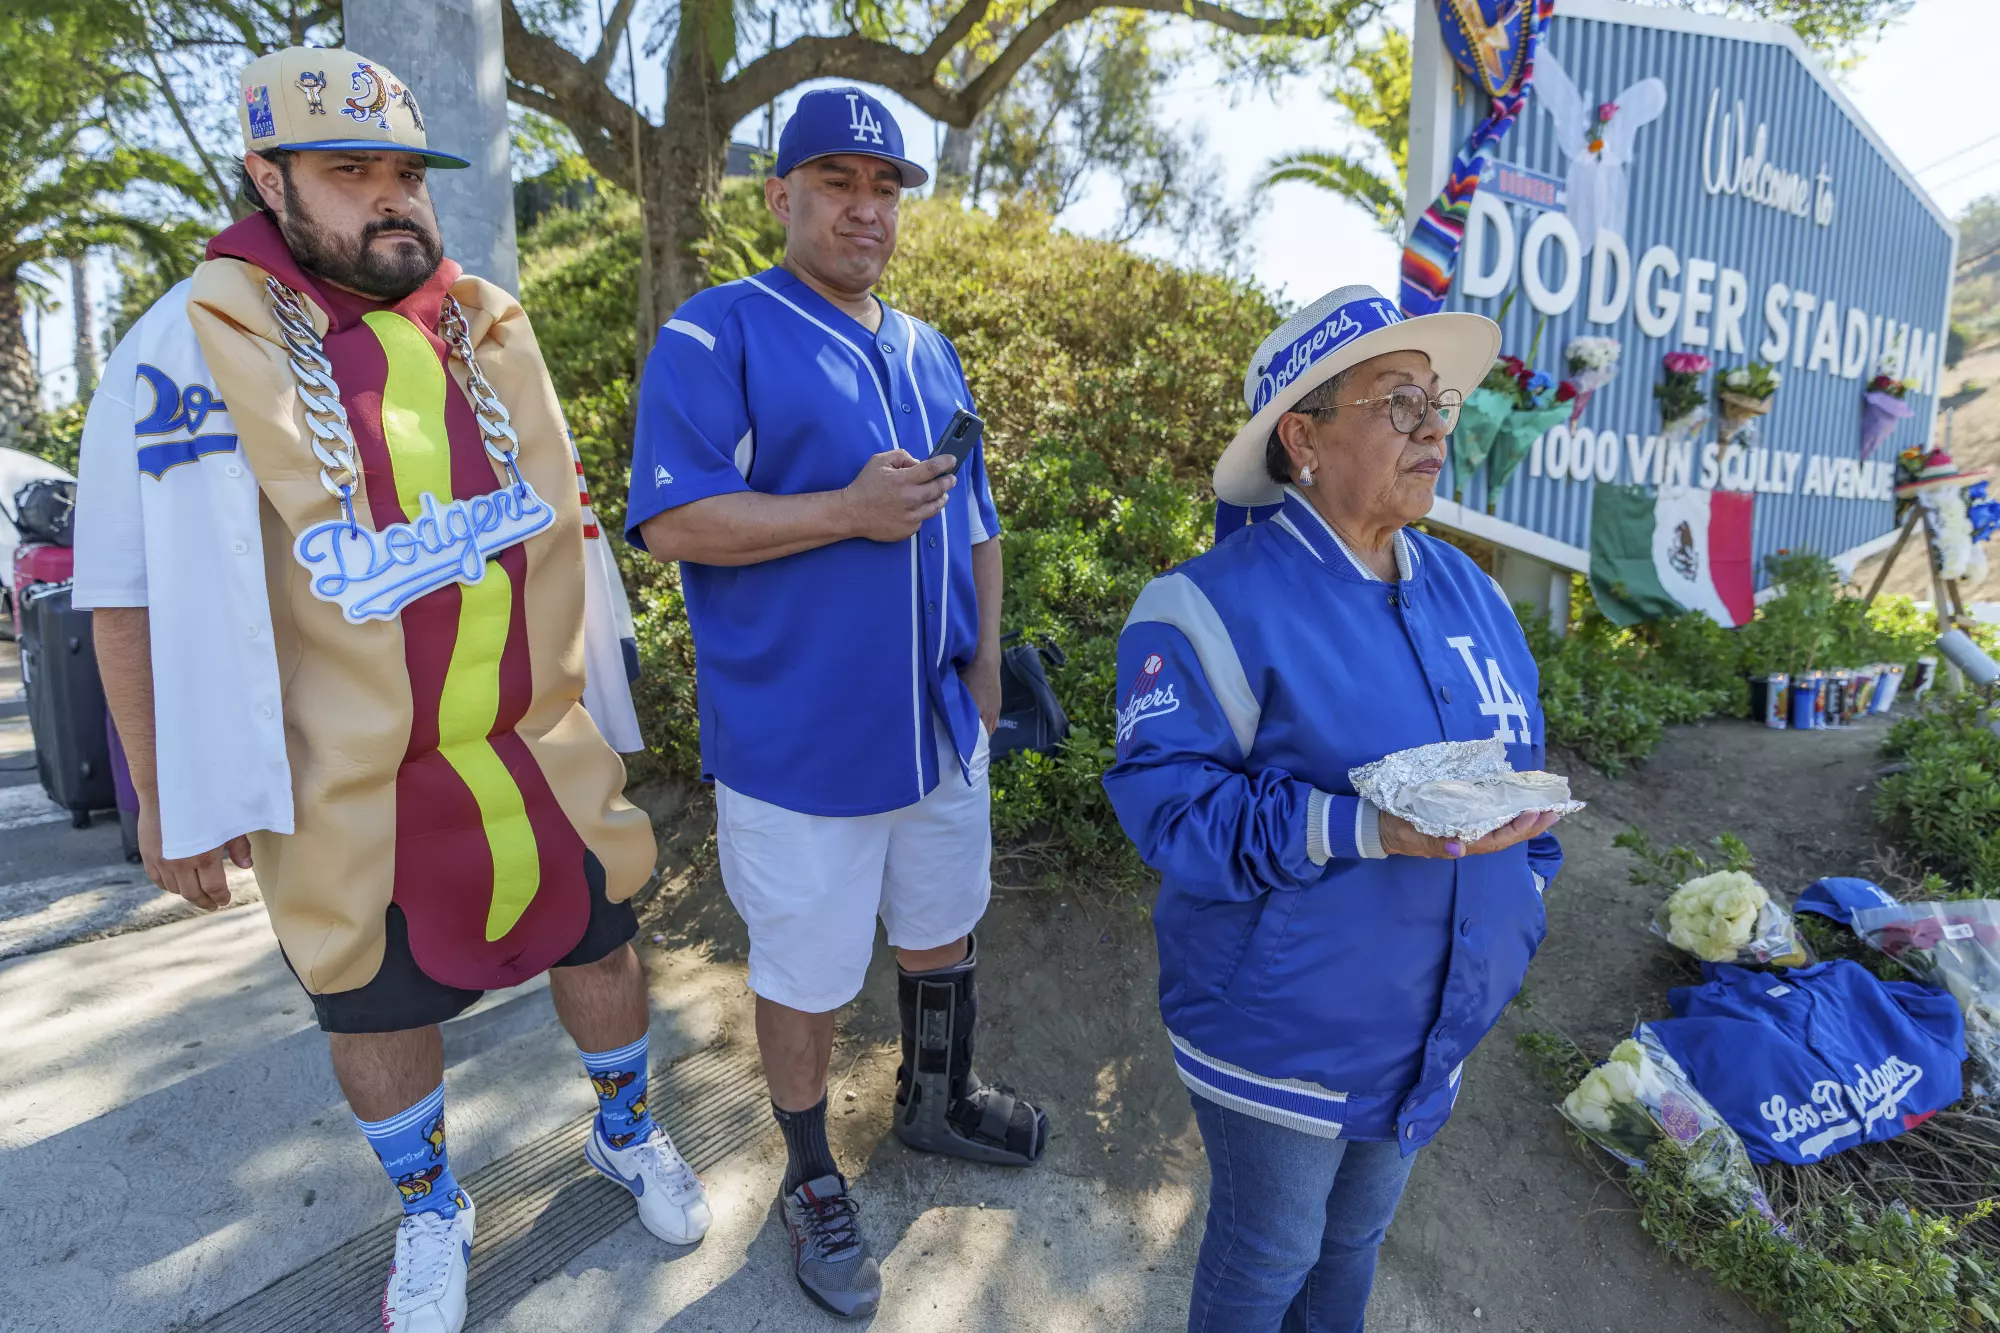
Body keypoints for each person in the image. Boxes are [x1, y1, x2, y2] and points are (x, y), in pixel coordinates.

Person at [70, 48, 708, 1333]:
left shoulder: (486, 319)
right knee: (373, 996)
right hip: (343, 777)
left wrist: (614, 691)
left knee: (600, 936)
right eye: (349, 171)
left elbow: (568, 521)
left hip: (532, 741)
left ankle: (625, 1131)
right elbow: (125, 593)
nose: (391, 198)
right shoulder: (183, 342)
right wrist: (165, 794)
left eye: (406, 172)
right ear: (270, 178)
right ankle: (429, 1207)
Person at [624, 85, 1048, 1320]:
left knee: (940, 922)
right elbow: (673, 518)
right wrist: (842, 512)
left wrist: (983, 675)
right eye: (837, 181)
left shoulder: (926, 348)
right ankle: (810, 1174)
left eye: (886, 185)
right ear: (782, 195)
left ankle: (936, 1099)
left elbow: (975, 518)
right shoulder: (719, 334)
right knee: (805, 973)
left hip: (933, 731)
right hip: (798, 745)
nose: (866, 206)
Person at [1100, 285, 1568, 1333]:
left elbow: (1522, 770)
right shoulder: (1201, 604)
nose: (1436, 426)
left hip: (1430, 1019)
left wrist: (1519, 907)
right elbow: (1169, 811)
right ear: (1302, 438)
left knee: (1350, 1245)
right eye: (1399, 403)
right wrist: (1365, 826)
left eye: (1436, 402)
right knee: (1269, 1255)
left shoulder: (1472, 594)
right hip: (1283, 1028)